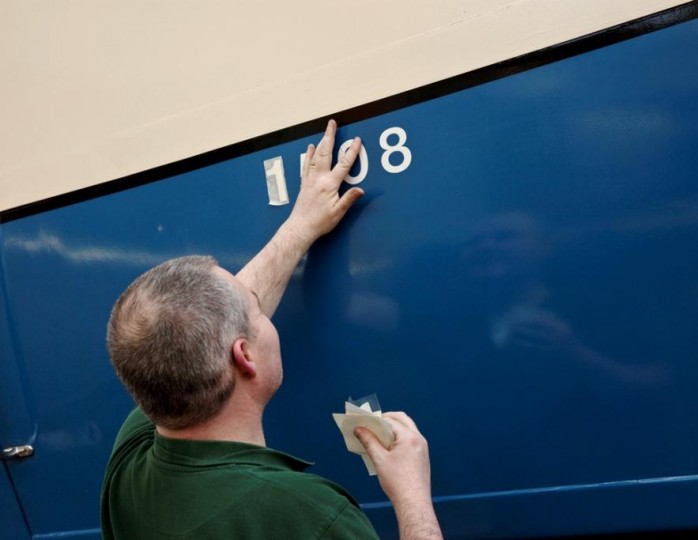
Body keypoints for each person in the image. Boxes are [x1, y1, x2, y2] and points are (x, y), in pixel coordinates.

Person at [100, 120, 443, 539]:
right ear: (243, 355)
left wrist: (300, 227)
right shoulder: (308, 515)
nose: (261, 306)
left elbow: (211, 319)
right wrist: (412, 493)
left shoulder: (128, 469)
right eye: (257, 312)